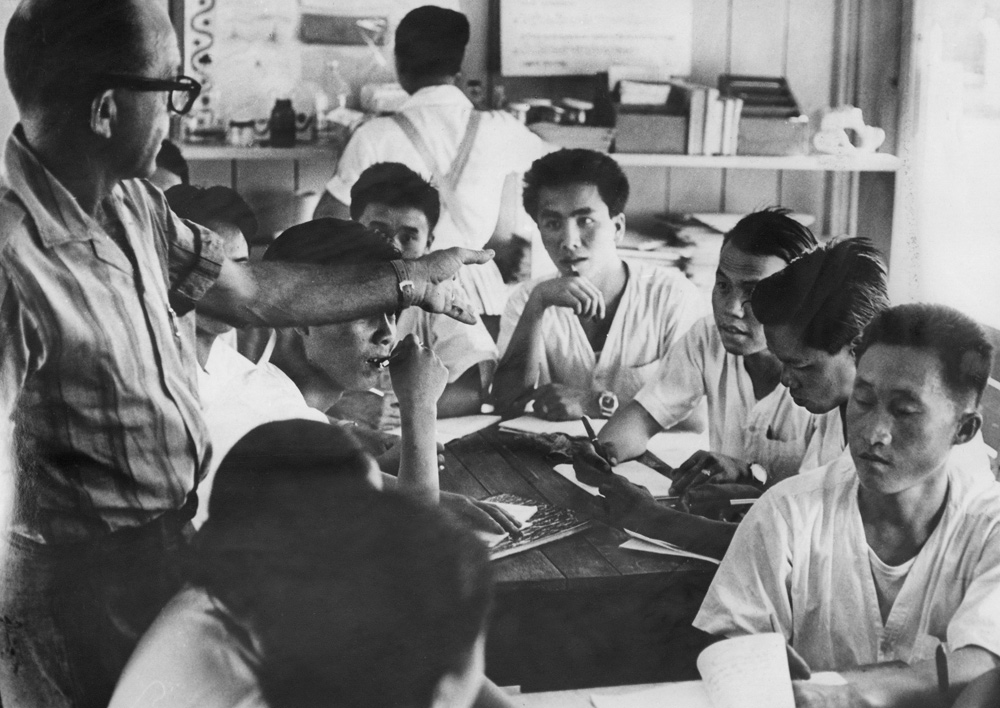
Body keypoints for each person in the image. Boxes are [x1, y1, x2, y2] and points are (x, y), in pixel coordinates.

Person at [0, 1, 492, 705]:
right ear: (107, 108)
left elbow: (249, 290)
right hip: (65, 593)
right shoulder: (13, 260)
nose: (177, 112)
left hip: (163, 547)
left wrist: (408, 278)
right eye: (171, 91)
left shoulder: (131, 205)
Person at [694, 304, 1000, 707]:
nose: (875, 433)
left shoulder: (989, 528)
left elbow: (984, 664)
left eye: (905, 411)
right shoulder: (787, 514)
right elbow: (732, 648)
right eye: (863, 399)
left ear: (964, 429)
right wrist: (750, 665)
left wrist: (849, 693)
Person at [109, 419, 494, 708]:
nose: (380, 533)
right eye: (366, 515)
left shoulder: (238, 594)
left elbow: (442, 654)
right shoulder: (240, 667)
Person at [574, 237, 890, 558]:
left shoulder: (882, 435)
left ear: (858, 348)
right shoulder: (845, 407)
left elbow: (787, 547)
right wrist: (749, 483)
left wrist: (649, 517)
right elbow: (804, 510)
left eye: (800, 365)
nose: (785, 378)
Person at [314, 5, 553, 317]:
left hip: (397, 292)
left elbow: (325, 222)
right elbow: (560, 166)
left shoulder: (374, 135)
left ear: (399, 64)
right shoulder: (501, 127)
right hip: (478, 298)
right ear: (459, 68)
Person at [597, 208, 822, 484]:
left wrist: (748, 474)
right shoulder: (708, 336)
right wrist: (602, 451)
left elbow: (822, 496)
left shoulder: (826, 371)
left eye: (754, 293)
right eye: (723, 286)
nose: (731, 309)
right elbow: (642, 419)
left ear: (800, 297)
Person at [493, 149, 704, 421]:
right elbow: (504, 404)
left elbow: (696, 416)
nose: (569, 241)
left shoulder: (672, 296)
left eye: (586, 221)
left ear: (617, 228)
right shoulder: (526, 299)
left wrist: (598, 404)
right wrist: (537, 306)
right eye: (553, 223)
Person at [165, 185, 330, 528]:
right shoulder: (154, 372)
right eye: (210, 269)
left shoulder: (241, 374)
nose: (226, 287)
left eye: (237, 268)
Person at [349, 162, 498, 419]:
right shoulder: (325, 290)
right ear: (351, 231)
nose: (392, 249)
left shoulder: (437, 295)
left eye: (407, 237)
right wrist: (348, 406)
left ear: (428, 244)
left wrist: (403, 409)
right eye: (377, 233)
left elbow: (471, 391)